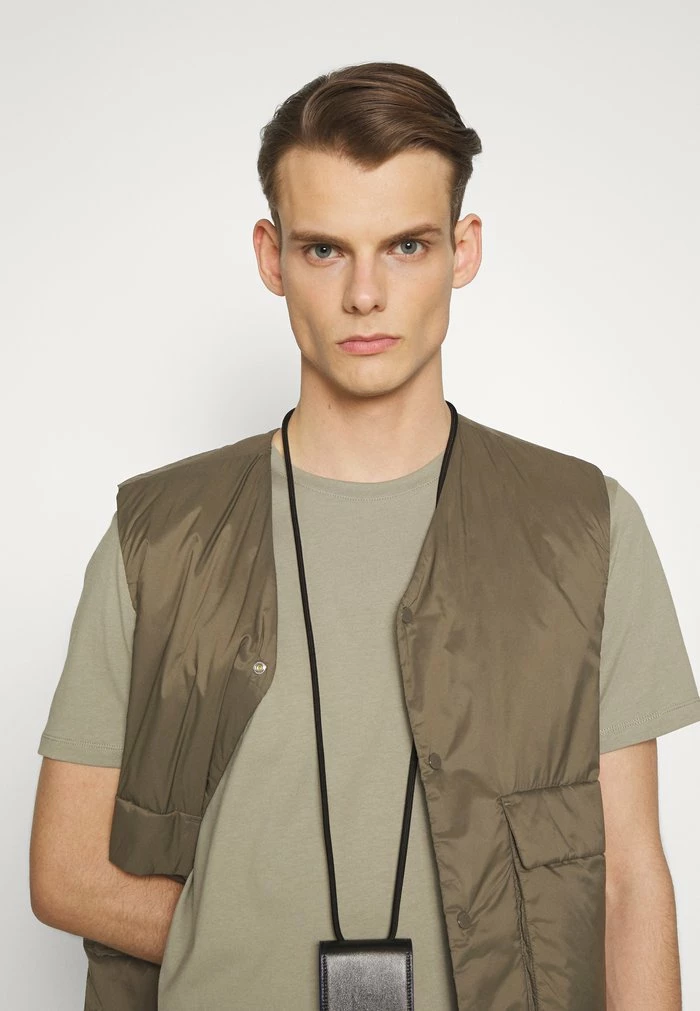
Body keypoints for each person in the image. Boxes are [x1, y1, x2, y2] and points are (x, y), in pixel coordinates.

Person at [30, 61, 700, 1011]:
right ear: (271, 257)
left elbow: (631, 882)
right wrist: (271, 962)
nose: (365, 294)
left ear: (464, 249)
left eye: (407, 245)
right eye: (324, 250)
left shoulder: (585, 525)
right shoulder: (159, 537)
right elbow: (63, 871)